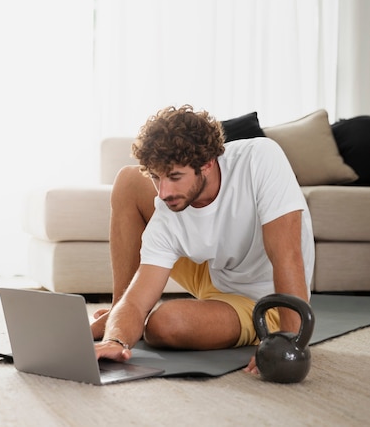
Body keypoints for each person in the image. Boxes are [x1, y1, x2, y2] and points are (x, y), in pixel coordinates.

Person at [92, 105, 314, 374]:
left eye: (175, 177)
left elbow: (287, 257)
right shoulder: (167, 210)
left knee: (164, 326)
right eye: (156, 177)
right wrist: (115, 340)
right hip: (215, 271)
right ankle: (115, 317)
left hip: (263, 300)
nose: (163, 192)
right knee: (128, 179)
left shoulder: (260, 159)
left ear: (207, 163)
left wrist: (288, 342)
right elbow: (137, 301)